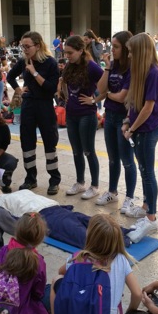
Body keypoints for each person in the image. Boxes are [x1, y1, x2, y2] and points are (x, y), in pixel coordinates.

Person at [50, 214, 142, 314]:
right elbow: (137, 294)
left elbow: (61, 272)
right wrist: (130, 312)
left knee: (56, 280)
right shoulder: (121, 260)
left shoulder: (78, 258)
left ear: (90, 236)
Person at [6, 31, 60, 195]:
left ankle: (54, 180)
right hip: (28, 105)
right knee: (27, 143)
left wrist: (34, 72)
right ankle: (30, 178)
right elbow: (10, 77)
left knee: (50, 142)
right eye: (22, 47)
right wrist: (19, 90)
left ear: (38, 45)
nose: (25, 50)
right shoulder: (23, 61)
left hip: (45, 105)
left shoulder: (50, 63)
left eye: (27, 46)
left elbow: (51, 88)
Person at [122, 33, 158, 243]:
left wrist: (132, 129)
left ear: (140, 52)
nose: (129, 55)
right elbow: (134, 104)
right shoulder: (140, 71)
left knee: (148, 173)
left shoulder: (154, 73)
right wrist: (127, 122)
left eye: (131, 51)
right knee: (144, 171)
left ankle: (151, 218)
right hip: (140, 131)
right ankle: (147, 208)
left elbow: (148, 108)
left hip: (147, 132)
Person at [92, 31, 139, 214]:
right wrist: (107, 67)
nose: (112, 50)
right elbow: (100, 89)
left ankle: (130, 198)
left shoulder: (132, 69)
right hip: (110, 115)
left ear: (126, 48)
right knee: (112, 159)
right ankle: (112, 192)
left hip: (124, 118)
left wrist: (107, 94)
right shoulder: (114, 66)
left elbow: (122, 97)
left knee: (127, 160)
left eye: (116, 46)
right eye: (112, 46)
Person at [0, 212, 52, 314]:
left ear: (17, 231)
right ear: (40, 238)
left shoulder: (4, 250)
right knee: (52, 289)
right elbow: (38, 292)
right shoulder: (38, 261)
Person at [60, 35, 103, 200]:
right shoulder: (69, 66)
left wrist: (94, 100)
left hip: (87, 115)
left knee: (88, 151)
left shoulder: (92, 67)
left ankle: (95, 186)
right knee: (76, 151)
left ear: (80, 50)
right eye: (66, 53)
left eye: (70, 53)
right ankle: (80, 182)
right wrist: (66, 97)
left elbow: (106, 87)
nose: (67, 56)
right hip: (71, 114)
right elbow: (63, 81)